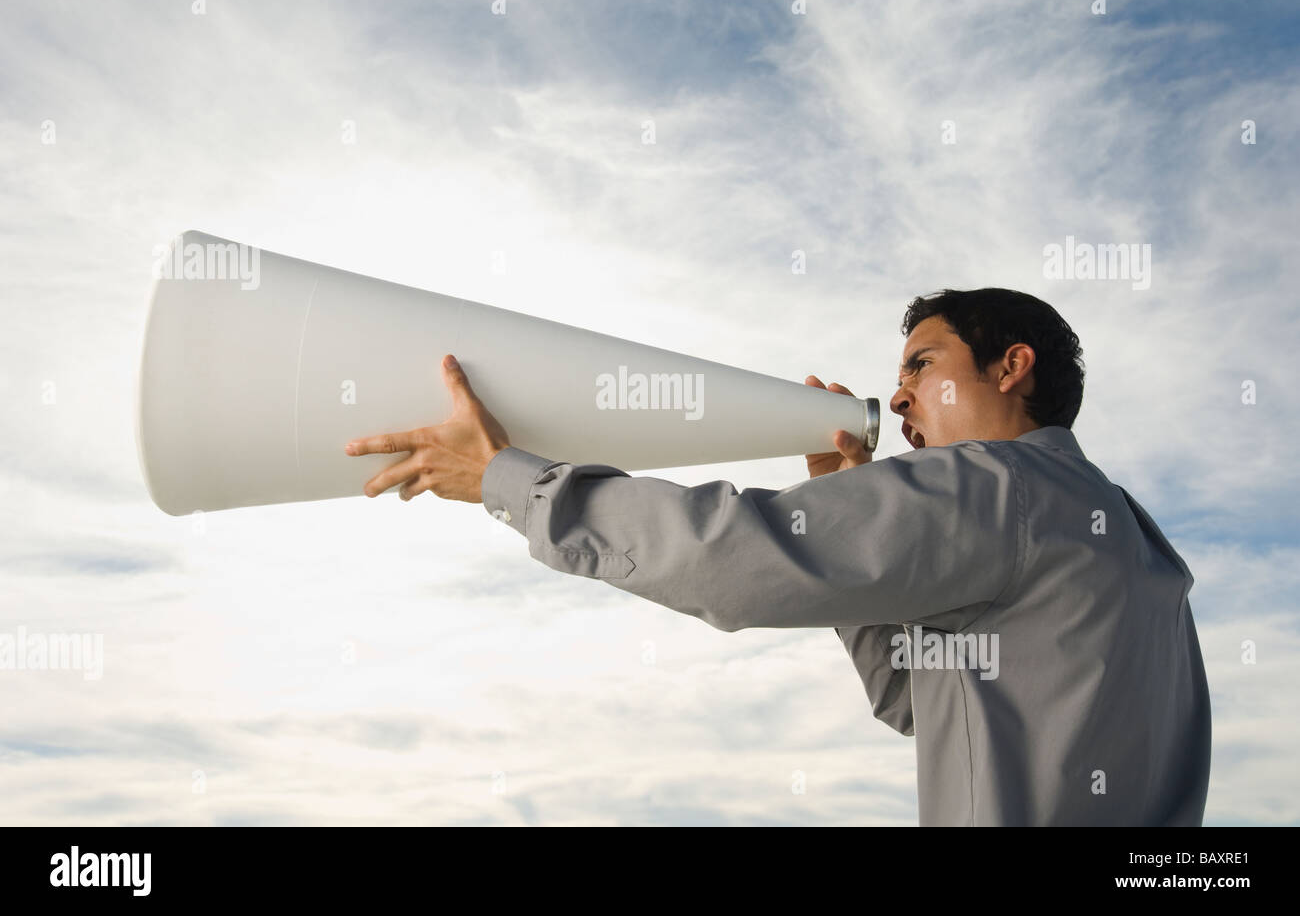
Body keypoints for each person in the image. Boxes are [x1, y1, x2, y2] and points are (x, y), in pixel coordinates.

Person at [345, 288, 1211, 826]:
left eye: (922, 363)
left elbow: (727, 554)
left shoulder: (993, 485)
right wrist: (867, 543)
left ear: (1011, 365)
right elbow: (924, 697)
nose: (900, 394)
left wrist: (508, 478)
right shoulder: (1135, 541)